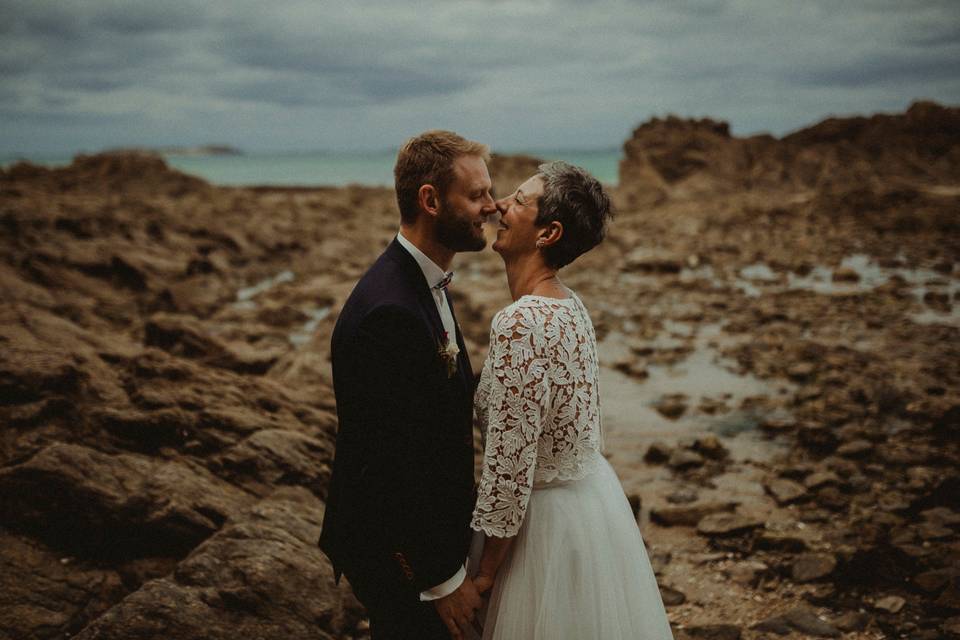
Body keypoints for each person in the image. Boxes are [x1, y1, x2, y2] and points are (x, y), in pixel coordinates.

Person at [468, 162, 675, 639]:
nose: (500, 205)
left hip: (540, 533)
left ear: (549, 232)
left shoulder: (521, 323)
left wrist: (485, 576)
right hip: (590, 508)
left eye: (518, 201)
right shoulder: (570, 306)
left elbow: (509, 471)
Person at [319, 130, 497, 640]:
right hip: (398, 555)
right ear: (430, 200)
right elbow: (388, 462)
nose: (492, 206)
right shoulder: (391, 311)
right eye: (477, 194)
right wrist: (440, 578)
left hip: (422, 540)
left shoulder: (422, 281)